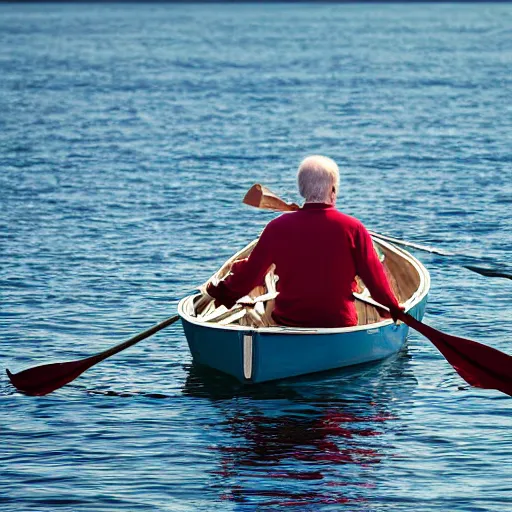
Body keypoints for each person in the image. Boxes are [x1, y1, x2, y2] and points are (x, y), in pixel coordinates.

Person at [206, 155, 401, 328]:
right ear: (333, 190)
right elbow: (376, 283)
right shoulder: (354, 228)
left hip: (289, 321)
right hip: (339, 323)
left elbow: (249, 277)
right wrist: (393, 307)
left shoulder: (276, 228)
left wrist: (223, 292)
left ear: (301, 191)